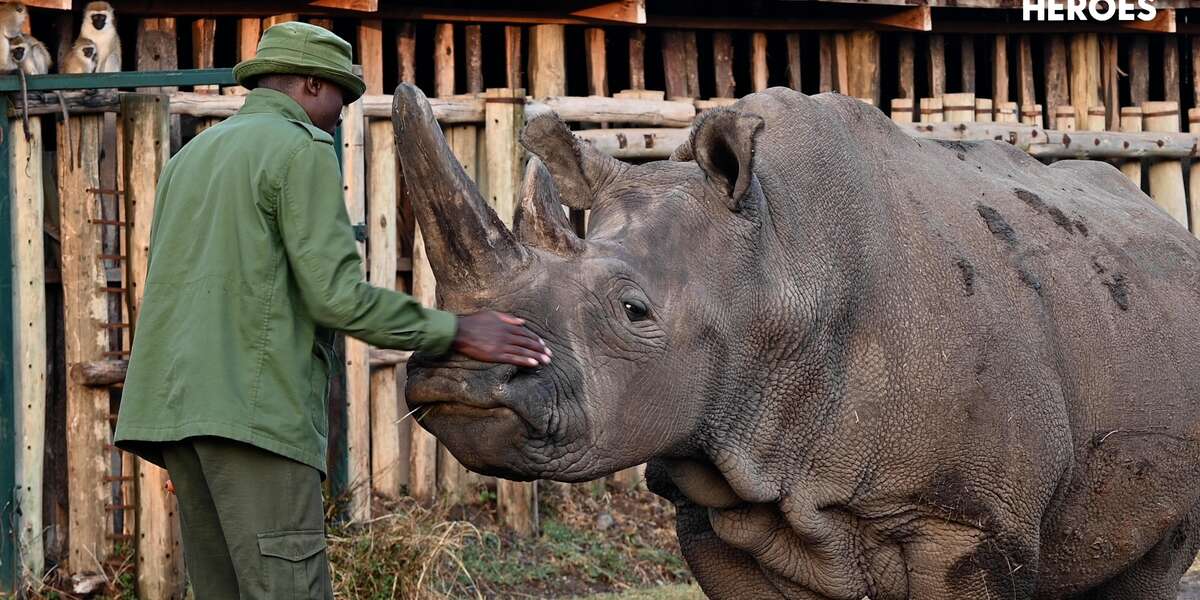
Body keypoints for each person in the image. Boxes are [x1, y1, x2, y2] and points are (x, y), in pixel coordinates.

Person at [113, 22, 549, 599]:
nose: (340, 117)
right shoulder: (300, 148)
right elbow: (336, 296)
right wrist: (459, 330)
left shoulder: (189, 158)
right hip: (255, 417)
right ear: (312, 84)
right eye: (340, 101)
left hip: (178, 418)